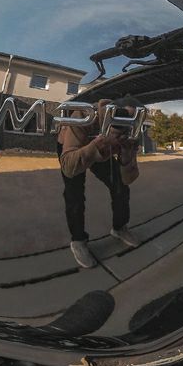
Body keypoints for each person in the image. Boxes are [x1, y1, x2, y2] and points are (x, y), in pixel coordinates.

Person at [57, 96, 141, 268]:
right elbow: (68, 167)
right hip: (72, 147)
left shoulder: (130, 131)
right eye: (120, 117)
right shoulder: (84, 115)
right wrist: (98, 144)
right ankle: (78, 240)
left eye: (131, 121)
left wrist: (126, 158)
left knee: (120, 186)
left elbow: (128, 180)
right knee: (74, 193)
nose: (124, 126)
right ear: (109, 112)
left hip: (104, 148)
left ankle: (120, 227)